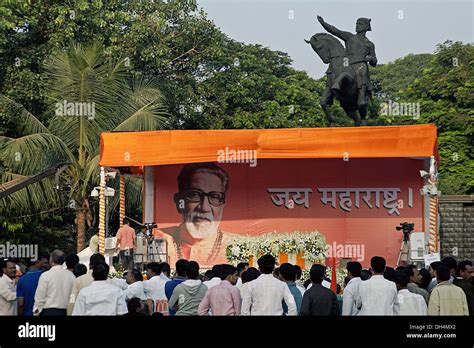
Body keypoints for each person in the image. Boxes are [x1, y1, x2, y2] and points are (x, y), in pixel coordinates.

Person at [153, 163, 237, 268]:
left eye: (215, 197)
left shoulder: (235, 245)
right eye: (194, 195)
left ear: (222, 204)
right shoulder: (160, 238)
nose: (204, 208)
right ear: (179, 202)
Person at [34, 250, 76, 316]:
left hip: (48, 311)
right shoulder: (71, 276)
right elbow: (73, 296)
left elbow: (40, 297)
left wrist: (36, 312)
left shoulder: (45, 275)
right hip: (65, 311)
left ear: (51, 260)